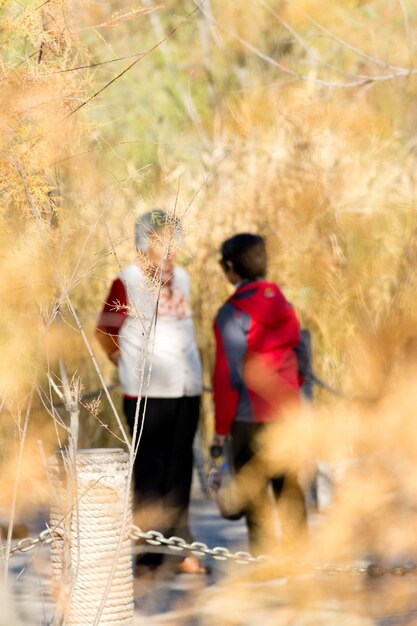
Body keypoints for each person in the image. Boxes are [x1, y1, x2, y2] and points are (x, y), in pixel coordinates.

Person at [96, 209, 206, 574]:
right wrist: (125, 364)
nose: (170, 252)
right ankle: (148, 555)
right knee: (149, 473)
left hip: (186, 389)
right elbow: (105, 332)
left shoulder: (184, 279)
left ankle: (180, 550)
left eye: (174, 244)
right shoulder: (126, 280)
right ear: (144, 246)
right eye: (161, 244)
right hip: (145, 393)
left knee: (179, 471)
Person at [212, 233, 307, 554]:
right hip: (286, 412)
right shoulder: (285, 305)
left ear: (229, 268)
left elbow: (227, 376)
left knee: (255, 498)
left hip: (247, 417)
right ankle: (300, 566)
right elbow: (301, 356)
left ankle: (265, 567)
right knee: (290, 491)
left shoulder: (231, 313)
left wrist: (221, 428)